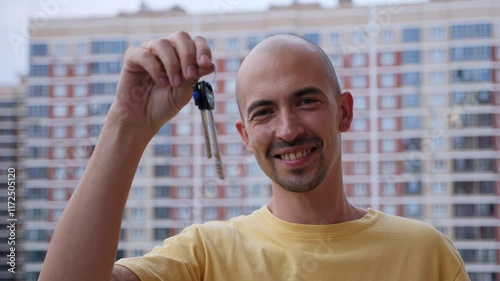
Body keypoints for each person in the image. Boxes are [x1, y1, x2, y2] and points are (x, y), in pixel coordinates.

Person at [39, 31, 470, 281]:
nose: (287, 130)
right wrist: (127, 124)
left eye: (306, 101)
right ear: (245, 136)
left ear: (344, 112)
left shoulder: (425, 254)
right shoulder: (204, 255)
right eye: (264, 112)